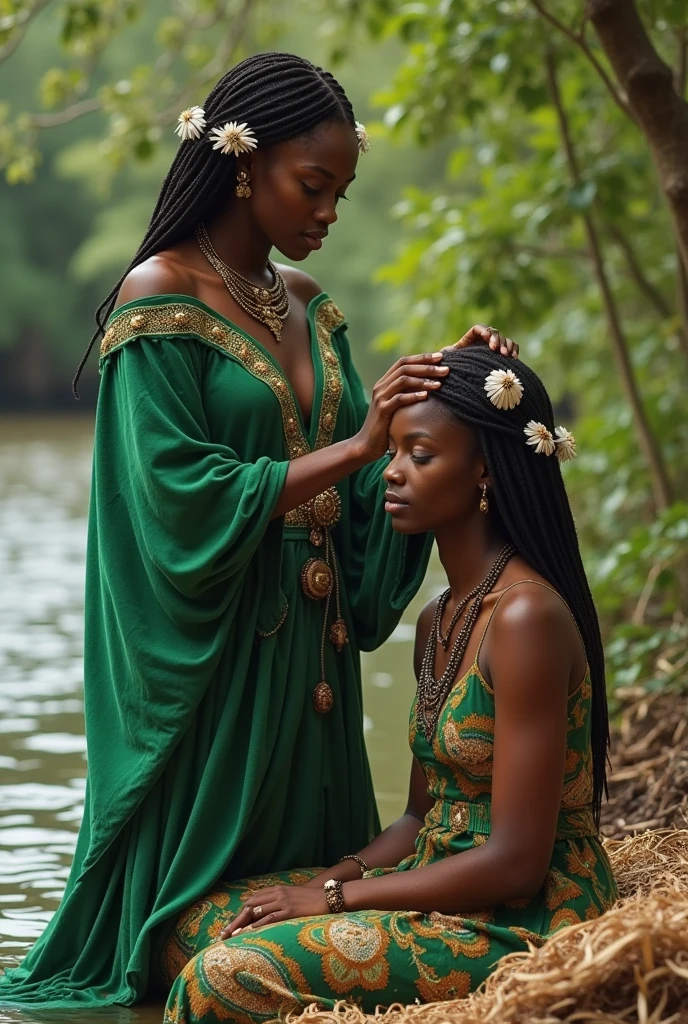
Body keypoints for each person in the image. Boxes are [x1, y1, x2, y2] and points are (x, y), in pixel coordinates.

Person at [0, 53, 517, 1010]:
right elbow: (173, 497)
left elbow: (384, 478)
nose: (328, 212)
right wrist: (358, 448)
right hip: (219, 666)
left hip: (309, 667)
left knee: (301, 917)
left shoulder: (315, 311)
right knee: (173, 946)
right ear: (245, 166)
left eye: (341, 192)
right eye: (312, 186)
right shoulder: (160, 299)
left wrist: (464, 384)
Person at [159, 346, 617, 1024]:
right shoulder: (441, 615)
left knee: (223, 978)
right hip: (440, 878)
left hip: (521, 917)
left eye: (420, 456)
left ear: (485, 469)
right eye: (392, 453)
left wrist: (337, 902)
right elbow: (416, 818)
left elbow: (518, 862)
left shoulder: (526, 617)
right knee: (190, 922)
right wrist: (334, 877)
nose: (391, 475)